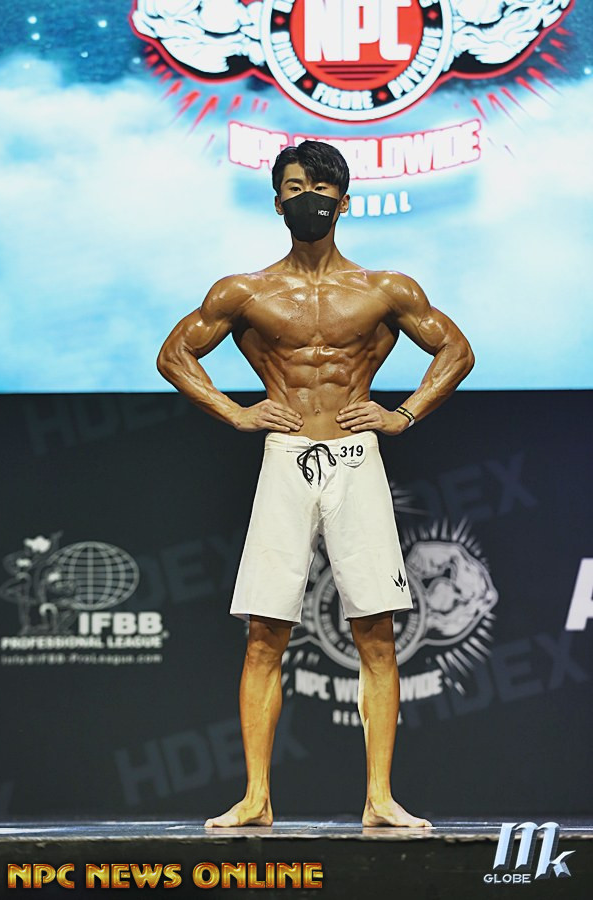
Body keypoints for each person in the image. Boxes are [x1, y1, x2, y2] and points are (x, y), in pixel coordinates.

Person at [157, 140, 475, 829]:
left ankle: (379, 798)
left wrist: (403, 414)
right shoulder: (243, 291)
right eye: (296, 186)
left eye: (322, 188)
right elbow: (175, 354)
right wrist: (235, 412)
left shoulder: (386, 288)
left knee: (376, 633)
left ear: (345, 201)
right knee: (265, 632)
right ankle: (256, 797)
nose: (310, 198)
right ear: (278, 201)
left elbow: (456, 350)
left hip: (357, 455)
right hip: (285, 453)